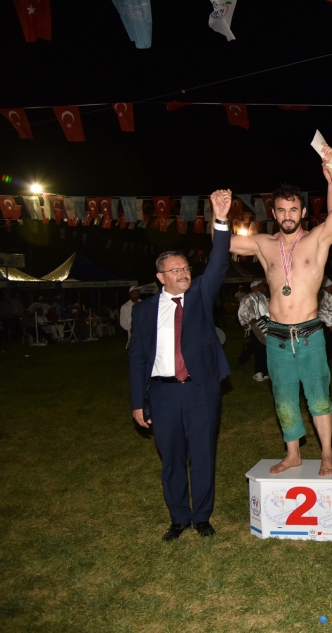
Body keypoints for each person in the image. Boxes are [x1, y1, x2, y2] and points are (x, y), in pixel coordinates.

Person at [228, 144, 332, 476]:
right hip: (277, 338)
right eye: (282, 210)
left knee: (319, 399)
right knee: (283, 400)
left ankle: (327, 455)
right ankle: (293, 454)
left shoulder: (317, 240)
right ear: (274, 212)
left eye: (293, 209)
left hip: (310, 335)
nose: (287, 215)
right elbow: (223, 242)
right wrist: (219, 215)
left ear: (303, 212)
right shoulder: (263, 244)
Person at [128, 190, 232, 541]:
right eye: (175, 270)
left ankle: (201, 516)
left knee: (202, 455)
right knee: (171, 459)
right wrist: (138, 402)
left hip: (201, 389)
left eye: (186, 268)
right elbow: (137, 358)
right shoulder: (144, 311)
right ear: (161, 277)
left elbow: (218, 263)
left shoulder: (200, 295)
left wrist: (220, 219)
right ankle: (178, 518)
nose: (184, 273)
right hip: (163, 394)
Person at [237, 280, 270, 382]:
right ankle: (258, 372)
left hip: (267, 327)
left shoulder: (267, 298)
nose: (261, 288)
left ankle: (265, 371)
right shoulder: (250, 298)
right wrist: (245, 322)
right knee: (258, 349)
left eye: (262, 286)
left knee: (262, 349)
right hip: (256, 327)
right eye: (259, 286)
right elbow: (244, 311)